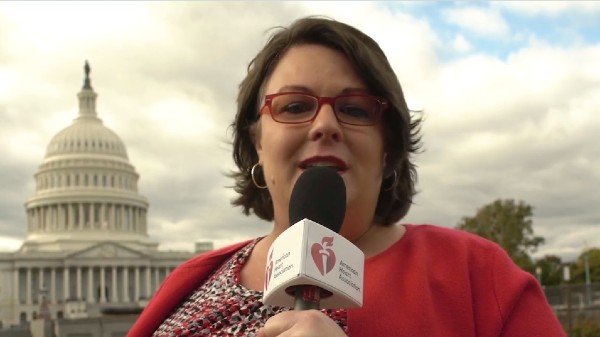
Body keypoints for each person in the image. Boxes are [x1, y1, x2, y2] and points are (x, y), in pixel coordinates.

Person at [127, 16, 566, 337]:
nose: (325, 125)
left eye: (355, 109)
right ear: (257, 142)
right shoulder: (192, 279)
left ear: (388, 147)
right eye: (295, 106)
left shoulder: (477, 277)